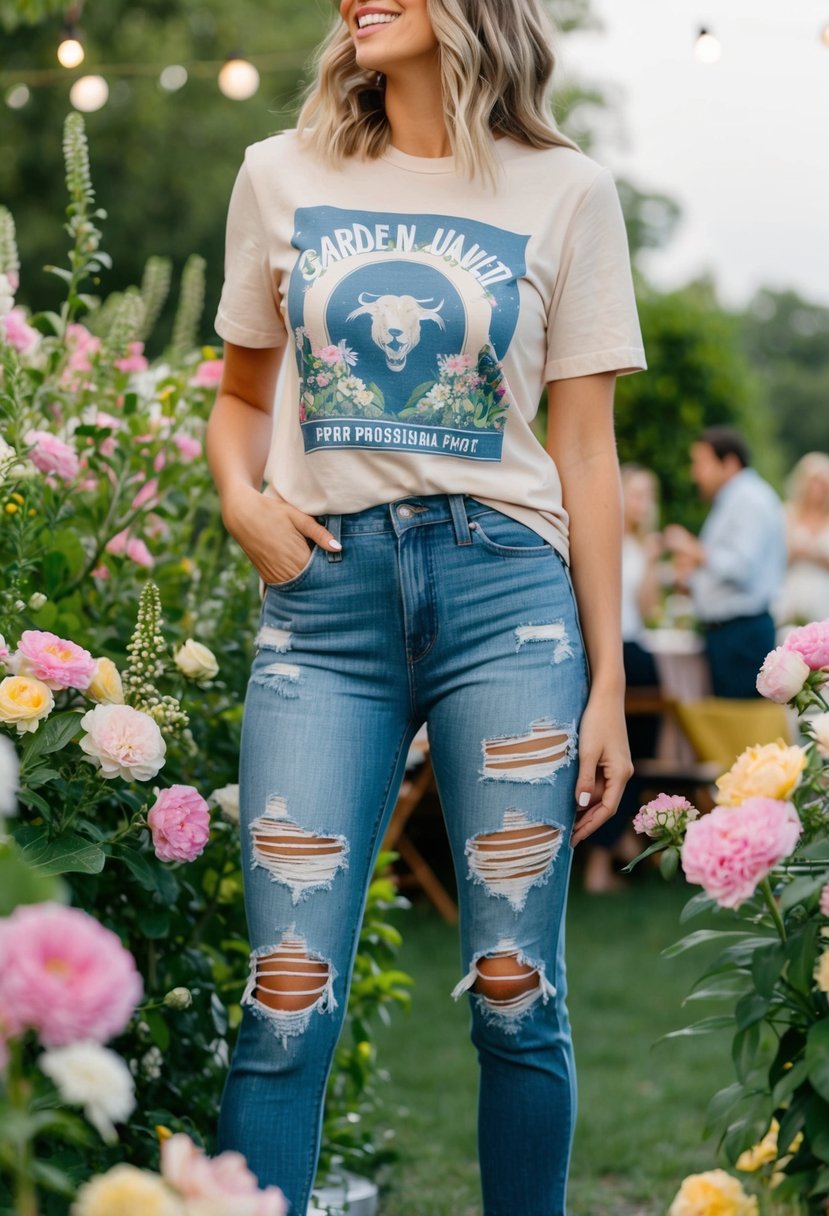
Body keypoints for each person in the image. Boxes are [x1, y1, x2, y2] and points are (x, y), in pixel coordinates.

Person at [205, 2, 646, 1212]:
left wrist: (608, 682)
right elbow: (240, 397)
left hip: (507, 600)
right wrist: (241, 500)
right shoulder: (277, 173)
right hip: (322, 607)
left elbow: (587, 452)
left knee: (516, 992)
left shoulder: (566, 192)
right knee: (285, 1001)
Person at [584, 464, 662, 893]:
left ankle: (624, 846)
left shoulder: (641, 545)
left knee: (636, 758)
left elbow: (649, 609)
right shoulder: (602, 536)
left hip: (639, 650)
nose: (641, 503)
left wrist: (651, 562)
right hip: (613, 651)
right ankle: (611, 854)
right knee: (607, 760)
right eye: (634, 493)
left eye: (647, 496)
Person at [664, 426, 785, 699]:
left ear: (728, 463)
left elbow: (741, 567)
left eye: (701, 463)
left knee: (740, 728)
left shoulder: (750, 499)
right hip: (732, 635)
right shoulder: (734, 500)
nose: (695, 473)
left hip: (741, 636)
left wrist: (692, 548)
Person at [775, 451, 829, 628]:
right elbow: (775, 557)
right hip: (792, 587)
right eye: (814, 481)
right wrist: (795, 551)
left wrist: (817, 557)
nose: (817, 489)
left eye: (822, 483)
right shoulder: (787, 513)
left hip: (823, 590)